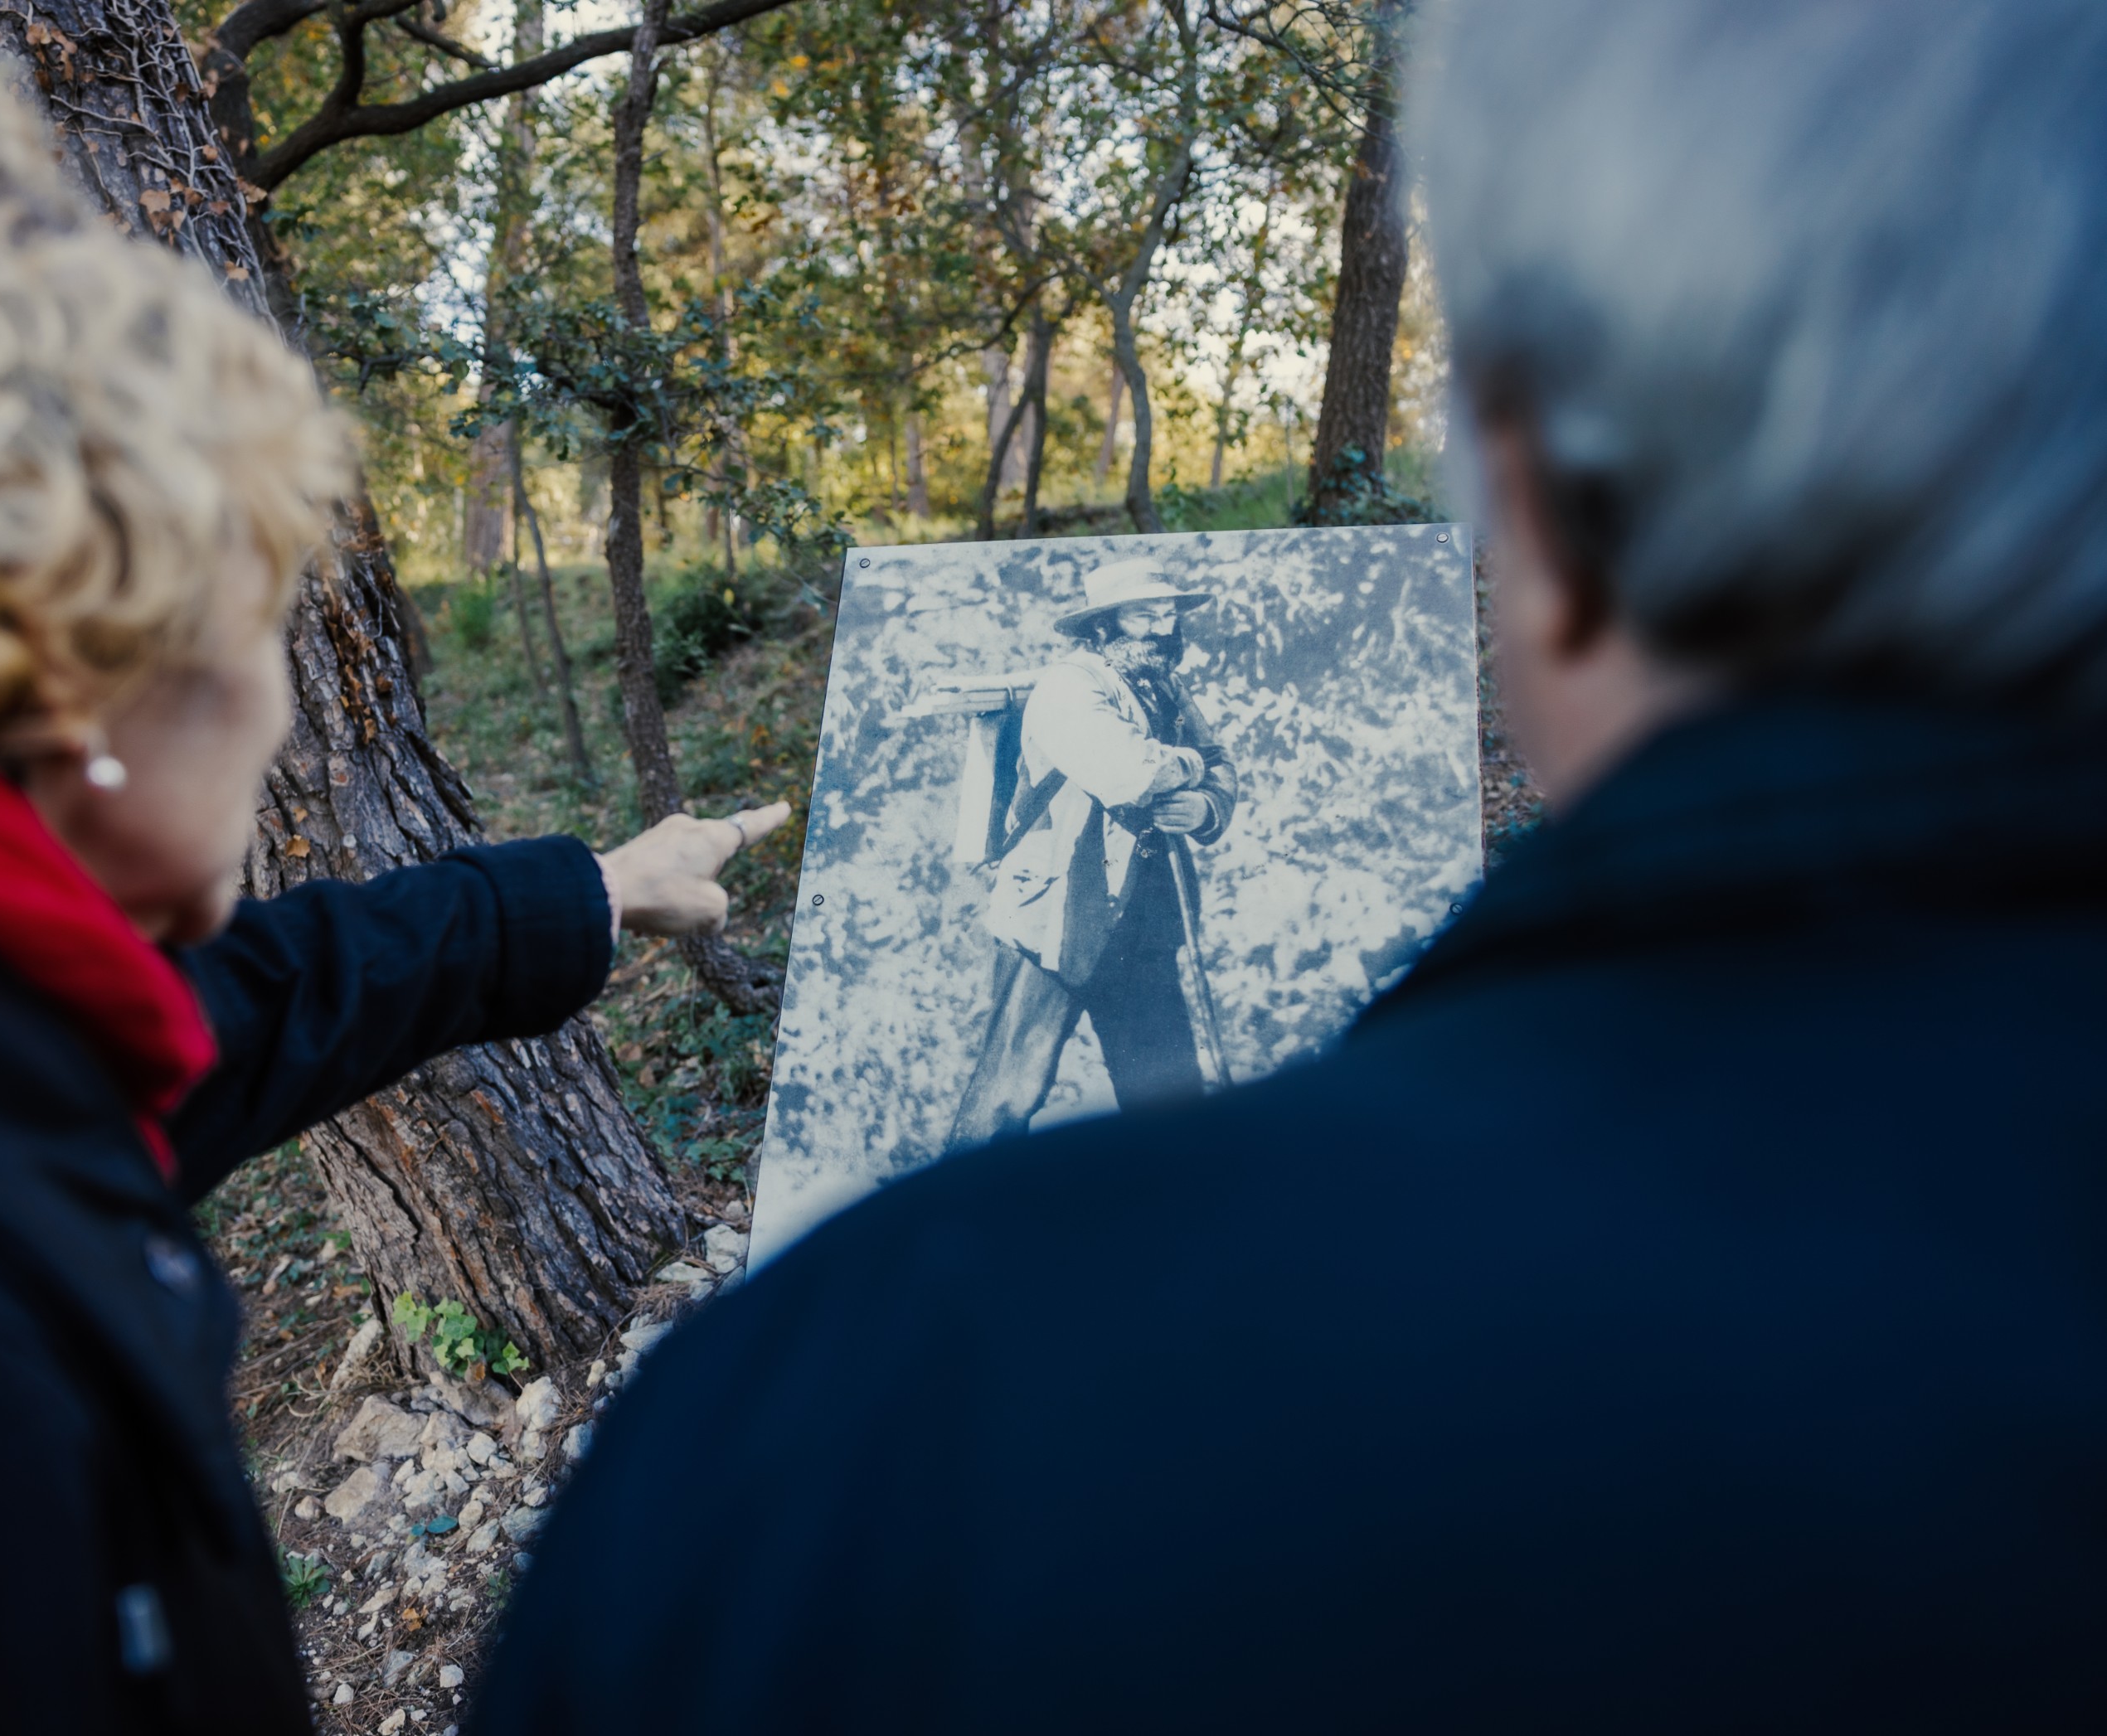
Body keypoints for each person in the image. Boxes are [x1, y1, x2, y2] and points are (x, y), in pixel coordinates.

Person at [473, 1, 2107, 1729]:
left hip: (1124, 954)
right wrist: (1186, 777)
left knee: (1146, 1082)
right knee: (1014, 1076)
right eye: (1155, 612)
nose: (1167, 623)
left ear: (1534, 503)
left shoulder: (830, 1445)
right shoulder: (1084, 676)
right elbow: (1130, 776)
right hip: (1068, 913)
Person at [0, 74, 783, 1731]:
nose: (280, 708)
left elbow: (229, 1019)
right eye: (260, 621)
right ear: (70, 676)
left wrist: (581, 900)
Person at [947, 560, 1239, 1145]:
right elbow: (1128, 772)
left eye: (1168, 615)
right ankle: (963, 1224)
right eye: (1143, 615)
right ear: (1103, 625)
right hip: (1054, 918)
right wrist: (1190, 766)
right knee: (1006, 1099)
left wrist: (1205, 806)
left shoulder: (1165, 686)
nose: (1161, 628)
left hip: (1146, 922)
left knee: (1168, 1097)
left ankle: (1178, 1225)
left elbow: (1221, 760)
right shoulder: (1068, 686)